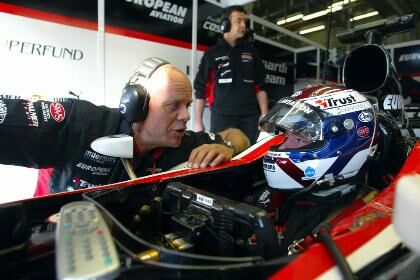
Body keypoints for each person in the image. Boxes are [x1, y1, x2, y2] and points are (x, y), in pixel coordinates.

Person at [0, 57, 250, 195]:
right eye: (173, 105)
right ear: (135, 106)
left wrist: (226, 147)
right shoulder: (80, 123)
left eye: (187, 105)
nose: (185, 115)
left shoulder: (181, 142)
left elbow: (238, 136)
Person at [256, 85, 381, 253]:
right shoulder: (281, 196)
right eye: (286, 135)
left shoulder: (363, 221)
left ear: (342, 146)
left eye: (300, 139)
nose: (284, 145)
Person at [193, 5, 268, 144]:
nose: (243, 25)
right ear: (225, 24)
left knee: (250, 159)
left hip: (250, 117)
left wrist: (264, 115)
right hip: (221, 117)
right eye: (238, 21)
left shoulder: (252, 52)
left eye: (244, 22)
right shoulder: (211, 54)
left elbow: (260, 86)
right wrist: (198, 122)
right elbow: (201, 89)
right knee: (221, 157)